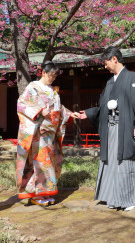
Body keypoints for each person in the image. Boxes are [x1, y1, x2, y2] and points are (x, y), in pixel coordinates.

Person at [78, 46, 135, 211]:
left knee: (125, 160)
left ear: (114, 59)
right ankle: (112, 197)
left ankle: (128, 200)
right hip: (110, 128)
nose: (105, 66)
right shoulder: (110, 82)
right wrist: (88, 114)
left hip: (126, 127)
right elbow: (103, 107)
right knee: (110, 160)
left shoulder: (133, 77)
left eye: (106, 63)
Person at [16, 61, 77, 206]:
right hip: (38, 131)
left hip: (50, 133)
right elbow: (21, 104)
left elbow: (59, 108)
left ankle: (45, 192)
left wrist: (69, 114)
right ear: (43, 72)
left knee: (49, 162)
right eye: (51, 75)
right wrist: (39, 110)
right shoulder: (33, 87)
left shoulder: (53, 91)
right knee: (39, 162)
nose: (53, 78)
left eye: (55, 76)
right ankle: (36, 194)